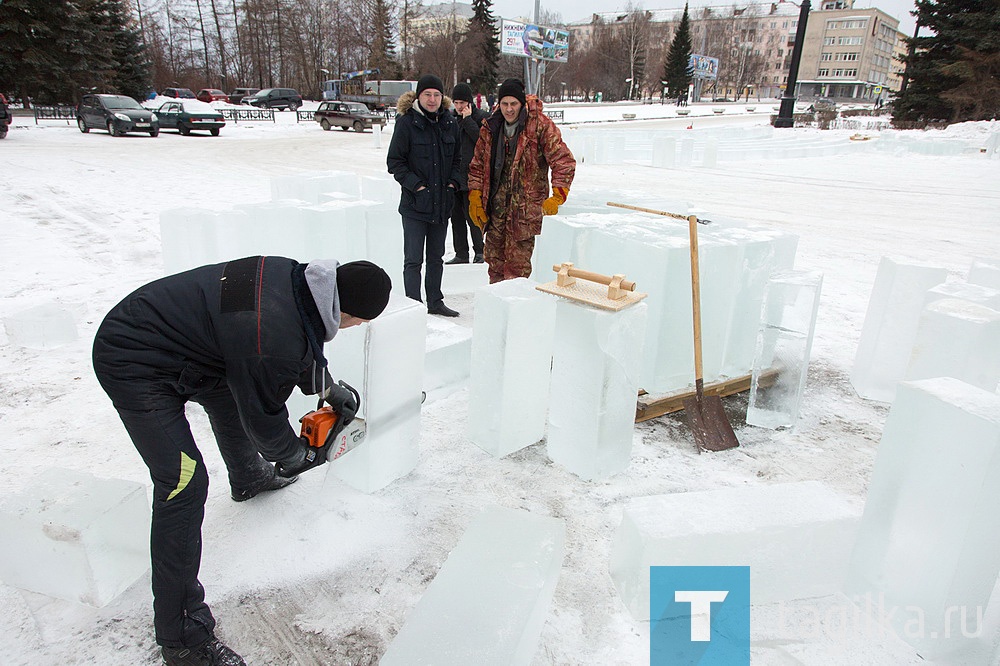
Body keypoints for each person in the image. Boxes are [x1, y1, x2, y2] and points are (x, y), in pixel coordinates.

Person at [92, 257, 391, 666]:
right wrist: (298, 456)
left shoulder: (298, 280)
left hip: (192, 345)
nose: (355, 328)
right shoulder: (273, 336)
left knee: (229, 394)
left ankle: (248, 476)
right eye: (359, 322)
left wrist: (327, 388)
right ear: (345, 310)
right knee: (184, 481)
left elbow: (297, 335)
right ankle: (183, 637)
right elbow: (266, 416)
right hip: (133, 358)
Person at [467, 78, 576, 283]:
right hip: (496, 210)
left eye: (513, 104)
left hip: (524, 213)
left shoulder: (540, 125)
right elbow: (477, 165)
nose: (509, 109)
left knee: (517, 270)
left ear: (522, 103)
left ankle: (516, 312)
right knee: (495, 265)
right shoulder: (490, 128)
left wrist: (558, 194)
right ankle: (498, 311)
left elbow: (563, 160)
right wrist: (475, 195)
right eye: (505, 104)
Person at [386, 73, 462, 317]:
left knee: (436, 258)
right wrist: (417, 186)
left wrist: (452, 185)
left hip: (441, 204)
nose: (432, 99)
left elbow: (459, 161)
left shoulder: (450, 122)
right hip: (415, 205)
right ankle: (413, 306)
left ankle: (435, 301)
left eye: (437, 95)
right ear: (419, 96)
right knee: (413, 260)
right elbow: (395, 162)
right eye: (427, 94)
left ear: (443, 97)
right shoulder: (407, 122)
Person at [446, 82, 489, 265]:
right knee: (456, 218)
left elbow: (483, 141)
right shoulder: (450, 119)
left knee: (473, 217)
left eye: (462, 102)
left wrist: (468, 120)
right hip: (455, 177)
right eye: (456, 102)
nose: (459, 106)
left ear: (470, 102)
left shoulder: (481, 117)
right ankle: (461, 253)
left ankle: (480, 251)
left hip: (473, 177)